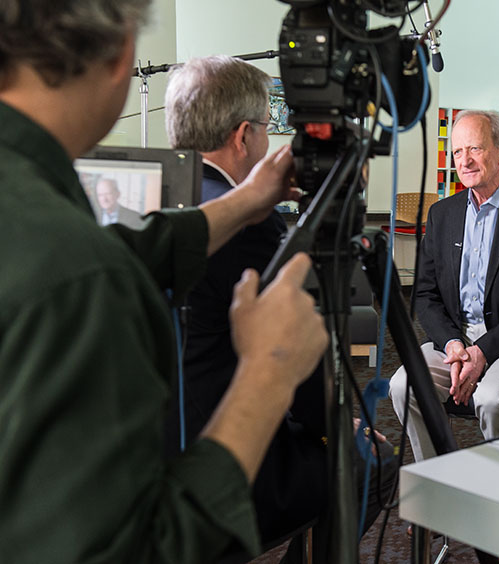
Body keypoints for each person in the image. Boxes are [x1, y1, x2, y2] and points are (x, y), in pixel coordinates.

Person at [0, 2, 328, 563]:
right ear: (120, 52)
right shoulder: (76, 271)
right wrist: (268, 374)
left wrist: (246, 200)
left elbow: (124, 249)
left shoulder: (40, 215)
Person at [163, 55, 395, 561]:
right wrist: (336, 428)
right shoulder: (249, 223)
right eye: (269, 129)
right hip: (221, 450)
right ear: (243, 135)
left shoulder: (157, 207)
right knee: (372, 461)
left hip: (155, 443)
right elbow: (293, 350)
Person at [388, 109, 499, 461]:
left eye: (475, 149)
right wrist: (454, 344)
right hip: (454, 340)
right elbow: (425, 295)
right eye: (457, 152)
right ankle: (439, 480)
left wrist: (482, 351)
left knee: (492, 398)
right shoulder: (442, 215)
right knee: (402, 385)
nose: (465, 160)